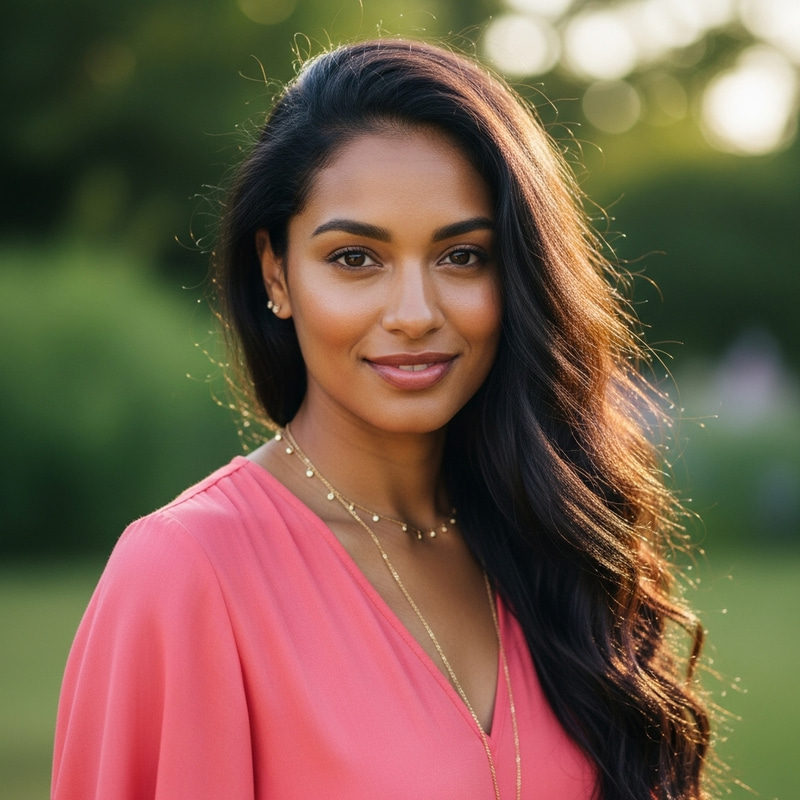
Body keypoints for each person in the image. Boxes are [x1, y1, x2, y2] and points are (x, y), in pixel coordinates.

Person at [52, 39, 712, 800]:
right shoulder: (186, 572)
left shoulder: (551, 539)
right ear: (276, 273)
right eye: (355, 259)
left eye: (461, 256)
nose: (414, 313)